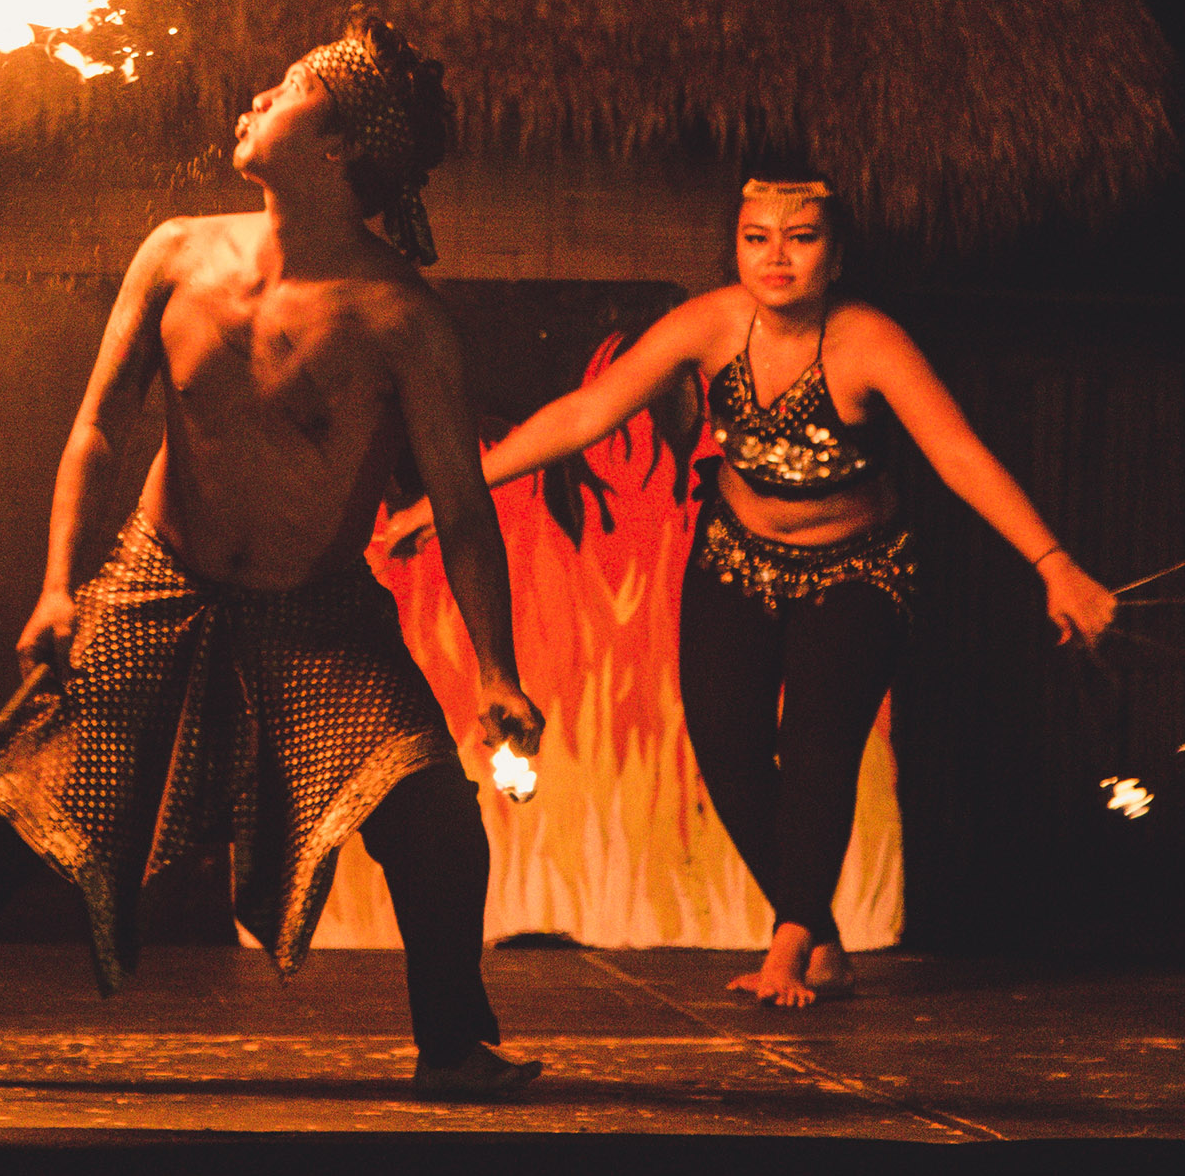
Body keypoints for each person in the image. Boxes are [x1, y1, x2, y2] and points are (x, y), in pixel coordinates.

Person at [0, 14, 549, 1098]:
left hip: (314, 619)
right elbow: (96, 425)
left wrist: (498, 671)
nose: (254, 100)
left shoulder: (399, 318)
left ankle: (455, 1046)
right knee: (11, 807)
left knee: (431, 815)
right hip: (157, 585)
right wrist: (56, 586)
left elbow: (463, 511)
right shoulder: (178, 249)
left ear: (336, 149)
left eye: (283, 90)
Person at [385, 176, 1114, 1006]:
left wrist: (1053, 562)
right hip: (732, 557)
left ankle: (789, 945)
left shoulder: (869, 341)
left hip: (856, 571)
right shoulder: (710, 324)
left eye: (799, 238)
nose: (775, 255)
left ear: (834, 256)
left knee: (817, 748)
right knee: (726, 749)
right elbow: (585, 414)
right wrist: (444, 500)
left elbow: (957, 455)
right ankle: (823, 938)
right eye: (755, 236)